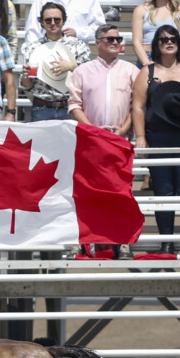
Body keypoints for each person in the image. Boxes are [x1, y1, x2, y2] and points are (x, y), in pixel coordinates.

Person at [132, 25, 180, 260]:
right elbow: (137, 106)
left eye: (173, 38)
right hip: (158, 138)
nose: (169, 42)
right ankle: (167, 243)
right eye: (163, 39)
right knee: (164, 192)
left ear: (179, 42)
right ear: (156, 44)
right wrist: (141, 137)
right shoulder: (146, 72)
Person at [70, 24, 139, 259]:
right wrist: (92, 131)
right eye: (109, 38)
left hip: (120, 141)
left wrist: (123, 131)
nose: (114, 41)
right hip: (91, 143)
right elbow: (74, 105)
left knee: (121, 194)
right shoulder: (82, 71)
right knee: (89, 193)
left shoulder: (131, 70)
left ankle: (122, 243)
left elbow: (137, 106)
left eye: (117, 38)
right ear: (97, 42)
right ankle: (86, 242)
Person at [20, 3, 90, 122]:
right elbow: (28, 85)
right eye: (48, 20)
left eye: (57, 19)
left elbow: (89, 76)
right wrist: (25, 76)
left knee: (70, 141)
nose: (53, 23)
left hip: (70, 107)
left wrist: (71, 66)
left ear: (63, 21)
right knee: (41, 142)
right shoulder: (33, 48)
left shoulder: (79, 45)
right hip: (41, 107)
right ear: (41, 22)